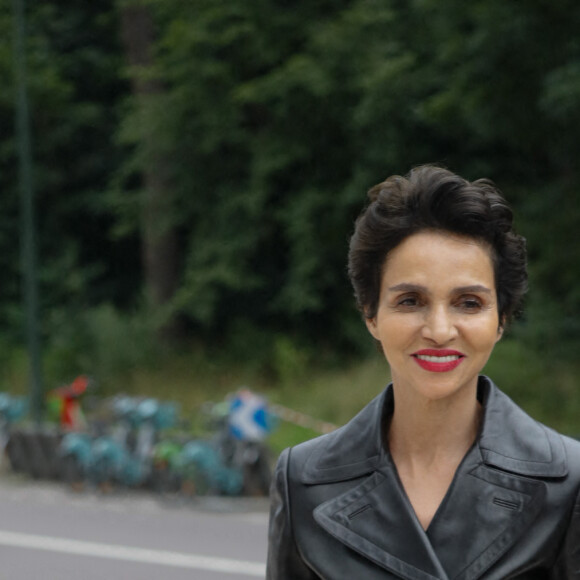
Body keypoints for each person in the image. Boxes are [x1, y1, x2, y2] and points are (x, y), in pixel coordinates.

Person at [266, 165, 580, 579]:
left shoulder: (568, 482)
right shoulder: (303, 480)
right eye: (410, 301)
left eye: (468, 303)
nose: (438, 330)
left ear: (501, 319)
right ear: (370, 315)